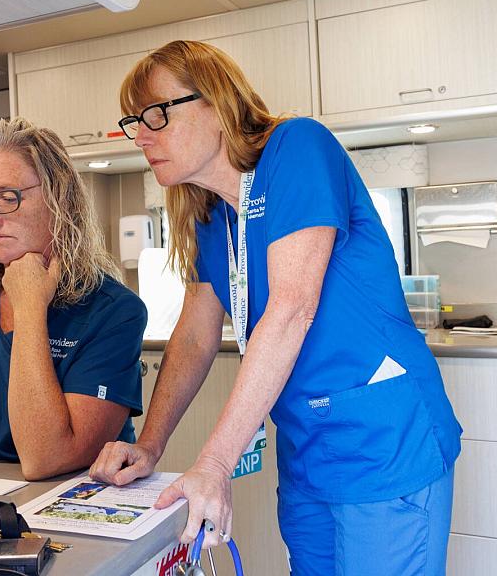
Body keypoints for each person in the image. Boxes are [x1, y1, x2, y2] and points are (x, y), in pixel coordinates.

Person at [89, 40, 462, 575]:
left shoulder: (297, 148)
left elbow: (290, 309)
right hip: (306, 446)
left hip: (383, 440)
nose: (142, 135)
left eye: (156, 114)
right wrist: (150, 446)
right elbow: (195, 337)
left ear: (215, 103)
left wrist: (214, 463)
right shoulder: (210, 216)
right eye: (135, 121)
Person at [0, 117, 147, 481]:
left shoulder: (114, 313)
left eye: (7, 198)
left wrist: (31, 306)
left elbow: (45, 459)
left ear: (59, 199)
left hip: (69, 510)